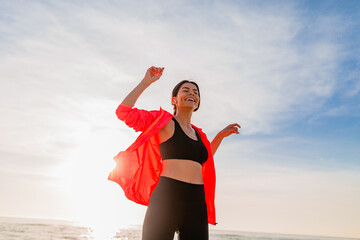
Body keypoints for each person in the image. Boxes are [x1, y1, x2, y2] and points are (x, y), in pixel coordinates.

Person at [108, 66, 240, 240]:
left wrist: (220, 136)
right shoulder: (163, 122)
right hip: (166, 197)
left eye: (195, 92)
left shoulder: (200, 135)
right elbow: (123, 112)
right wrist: (146, 81)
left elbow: (203, 159)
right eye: (185, 90)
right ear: (174, 99)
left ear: (198, 102)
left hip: (197, 201)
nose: (191, 93)